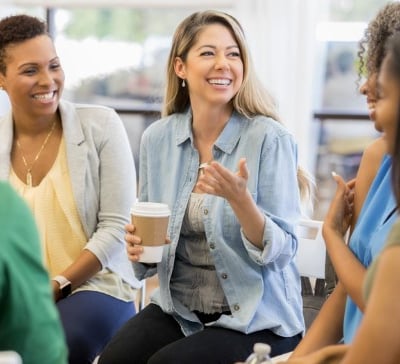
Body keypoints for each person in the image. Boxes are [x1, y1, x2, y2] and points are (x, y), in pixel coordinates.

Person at [98, 9, 312, 364]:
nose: (223, 64)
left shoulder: (269, 139)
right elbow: (150, 245)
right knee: (114, 360)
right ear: (180, 67)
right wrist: (137, 248)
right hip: (178, 308)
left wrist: (241, 202)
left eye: (233, 54)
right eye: (208, 53)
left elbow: (285, 248)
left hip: (255, 318)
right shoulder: (158, 139)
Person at [0, 14, 141, 364]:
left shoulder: (101, 126)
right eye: (30, 70)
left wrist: (57, 285)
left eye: (54, 66)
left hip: (96, 286)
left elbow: (114, 229)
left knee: (57, 343)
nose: (47, 80)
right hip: (22, 292)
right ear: (2, 79)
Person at [276, 30, 400, 364]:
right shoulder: (379, 158)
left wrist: (333, 237)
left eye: (380, 68)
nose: (364, 86)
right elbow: (348, 289)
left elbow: (379, 303)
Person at [0, 181, 68, 364]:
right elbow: (43, 348)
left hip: (87, 283)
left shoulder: (7, 206)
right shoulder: (7, 204)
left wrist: (60, 284)